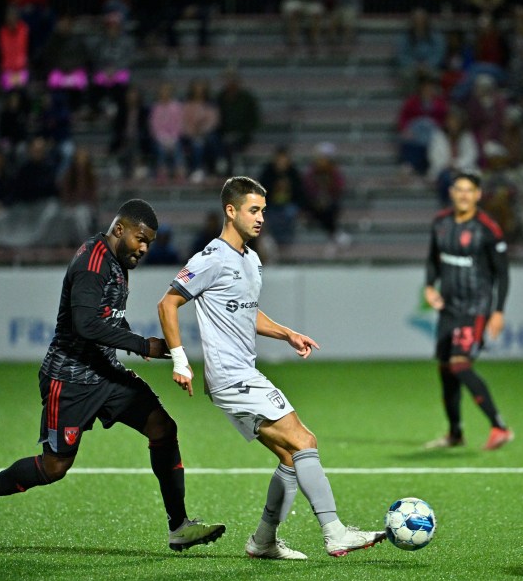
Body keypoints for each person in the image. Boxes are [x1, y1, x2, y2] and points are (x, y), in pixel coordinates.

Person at [0, 199, 226, 551]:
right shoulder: (92, 262)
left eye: (149, 243)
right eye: (140, 239)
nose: (144, 249)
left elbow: (107, 314)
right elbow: (85, 325)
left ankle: (179, 526)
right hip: (68, 378)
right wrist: (143, 345)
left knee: (163, 427)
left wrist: (128, 340)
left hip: (105, 374)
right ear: (119, 229)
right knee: (54, 467)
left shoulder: (117, 261)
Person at [157, 176, 386, 560]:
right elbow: (167, 304)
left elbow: (247, 312)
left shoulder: (250, 258)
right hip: (233, 377)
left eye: (263, 210)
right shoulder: (211, 258)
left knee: (290, 457)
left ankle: (263, 541)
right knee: (305, 442)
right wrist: (180, 361)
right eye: (254, 210)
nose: (262, 218)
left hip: (241, 375)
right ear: (230, 211)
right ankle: (335, 532)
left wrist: (287, 334)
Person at [423, 170, 513, 451]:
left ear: (477, 195)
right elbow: (432, 260)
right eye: (458, 189)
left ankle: (499, 427)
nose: (463, 195)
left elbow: (503, 273)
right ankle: (455, 433)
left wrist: (497, 311)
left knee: (460, 364)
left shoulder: (487, 228)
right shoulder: (440, 223)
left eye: (469, 191)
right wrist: (429, 286)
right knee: (446, 370)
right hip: (448, 308)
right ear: (451, 192)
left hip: (475, 308)